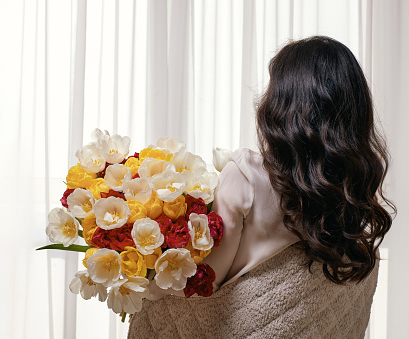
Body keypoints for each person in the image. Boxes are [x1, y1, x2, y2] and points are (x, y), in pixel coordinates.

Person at [128, 36, 394, 339]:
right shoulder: (355, 193)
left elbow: (207, 282)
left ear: (284, 104)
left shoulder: (246, 175)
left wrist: (145, 284)